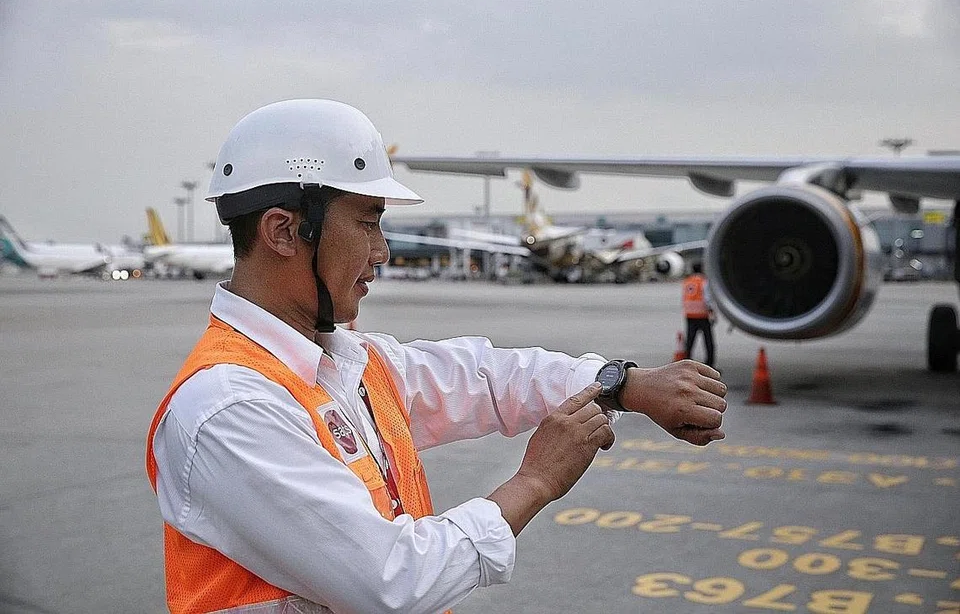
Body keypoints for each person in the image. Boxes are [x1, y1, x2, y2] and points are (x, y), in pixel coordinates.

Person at [145, 99, 728, 614]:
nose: (382, 252)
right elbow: (391, 583)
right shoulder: (229, 409)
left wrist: (621, 383)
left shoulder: (345, 363)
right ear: (282, 231)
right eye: (368, 224)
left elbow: (486, 379)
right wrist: (535, 481)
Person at [682, 262, 716, 368]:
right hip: (702, 315)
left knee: (690, 341)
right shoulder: (703, 282)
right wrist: (712, 311)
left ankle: (686, 362)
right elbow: (707, 298)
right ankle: (710, 363)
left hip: (690, 314)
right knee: (708, 341)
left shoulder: (687, 281)